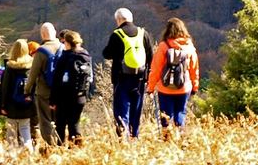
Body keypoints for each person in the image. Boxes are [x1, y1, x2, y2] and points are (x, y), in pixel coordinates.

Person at [103, 8, 153, 139]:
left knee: (121, 110)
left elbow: (107, 54)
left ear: (119, 20)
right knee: (136, 109)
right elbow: (150, 55)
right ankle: (134, 136)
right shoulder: (143, 33)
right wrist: (148, 75)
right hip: (140, 78)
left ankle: (123, 139)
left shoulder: (117, 34)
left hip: (121, 78)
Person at [146, 18, 200, 138]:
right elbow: (194, 69)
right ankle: (180, 136)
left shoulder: (163, 46)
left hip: (164, 89)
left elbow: (156, 69)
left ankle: (167, 138)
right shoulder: (189, 47)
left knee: (166, 114)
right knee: (180, 112)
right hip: (184, 87)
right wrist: (195, 86)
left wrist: (150, 87)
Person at [0, 39, 36, 150]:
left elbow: (5, 88)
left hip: (11, 104)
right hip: (27, 102)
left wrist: (3, 105)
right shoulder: (31, 65)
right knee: (25, 128)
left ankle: (11, 155)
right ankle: (28, 152)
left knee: (11, 129)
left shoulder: (10, 66)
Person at [51, 30, 93, 145]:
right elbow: (90, 78)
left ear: (68, 43)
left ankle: (60, 149)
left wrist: (53, 100)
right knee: (74, 123)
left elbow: (56, 80)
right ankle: (76, 150)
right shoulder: (86, 56)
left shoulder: (65, 58)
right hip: (80, 97)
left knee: (60, 124)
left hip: (64, 98)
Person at [26, 23, 63, 145]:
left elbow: (33, 74)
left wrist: (27, 90)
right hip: (62, 91)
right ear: (55, 32)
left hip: (44, 92)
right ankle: (63, 142)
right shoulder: (64, 48)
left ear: (42, 35)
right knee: (60, 119)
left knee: (45, 120)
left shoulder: (41, 51)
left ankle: (51, 144)